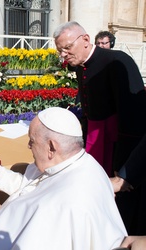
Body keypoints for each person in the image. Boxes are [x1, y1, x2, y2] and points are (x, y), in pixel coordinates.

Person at [0, 107, 127, 249]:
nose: (28, 147)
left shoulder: (69, 201)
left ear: (51, 147)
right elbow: (29, 188)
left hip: (11, 236)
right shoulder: (68, 161)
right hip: (8, 223)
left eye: (31, 141)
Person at [53, 21, 146, 235]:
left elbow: (132, 116)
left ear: (85, 40)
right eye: (60, 50)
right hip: (96, 138)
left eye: (67, 48)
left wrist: (123, 164)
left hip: (118, 143)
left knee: (121, 200)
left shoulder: (117, 61)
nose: (64, 55)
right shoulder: (81, 65)